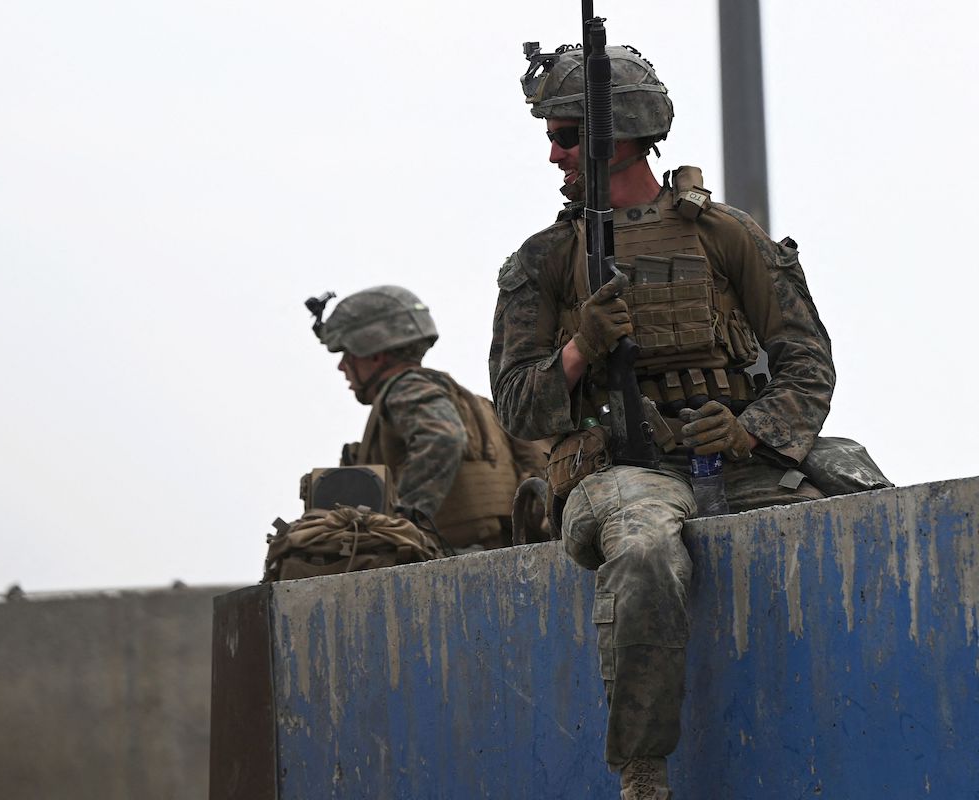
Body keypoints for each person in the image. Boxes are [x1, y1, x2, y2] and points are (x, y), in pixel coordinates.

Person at [490, 44, 838, 798]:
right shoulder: (544, 261)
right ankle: (644, 771)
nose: (554, 153)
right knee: (645, 553)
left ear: (621, 134)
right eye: (552, 134)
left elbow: (807, 365)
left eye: (568, 134)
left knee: (851, 529)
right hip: (619, 477)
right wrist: (583, 347)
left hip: (734, 467)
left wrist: (752, 430)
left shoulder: (725, 235)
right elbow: (517, 404)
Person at [315, 285, 543, 551]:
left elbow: (443, 437)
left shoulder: (407, 389)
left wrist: (398, 525)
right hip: (492, 554)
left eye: (347, 354)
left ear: (374, 354)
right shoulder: (470, 402)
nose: (342, 366)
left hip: (447, 557)